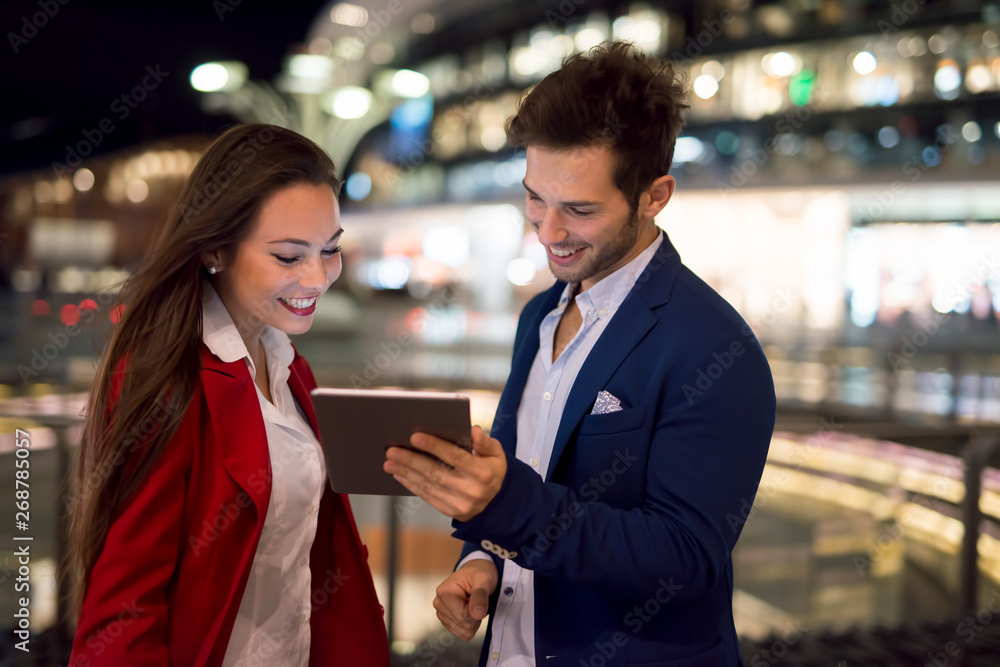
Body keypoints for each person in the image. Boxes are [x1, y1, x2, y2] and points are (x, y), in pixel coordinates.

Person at [383, 42, 776, 665]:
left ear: (655, 195)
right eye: (536, 198)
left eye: (580, 210)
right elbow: (521, 467)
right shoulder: (540, 314)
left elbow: (687, 558)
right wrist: (481, 559)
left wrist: (501, 505)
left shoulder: (714, 347)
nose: (547, 230)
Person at [66, 124, 390, 666]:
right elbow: (127, 606)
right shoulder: (166, 380)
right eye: (289, 257)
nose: (317, 277)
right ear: (215, 249)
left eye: (329, 250)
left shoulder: (291, 369)